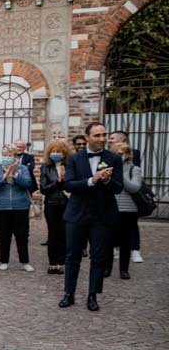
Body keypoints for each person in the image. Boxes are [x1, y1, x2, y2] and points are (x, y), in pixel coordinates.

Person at [59, 123, 123, 312]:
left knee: (98, 257)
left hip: (102, 215)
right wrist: (91, 181)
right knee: (72, 256)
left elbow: (119, 187)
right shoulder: (74, 158)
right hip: (77, 214)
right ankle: (68, 294)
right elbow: (68, 185)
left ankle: (93, 295)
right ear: (87, 137)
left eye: (104, 135)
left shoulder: (113, 158)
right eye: (97, 135)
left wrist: (108, 180)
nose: (102, 139)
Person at [0, 144, 34, 272]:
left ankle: (25, 261)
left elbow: (28, 183)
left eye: (9, 155)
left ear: (14, 156)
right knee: (4, 235)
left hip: (20, 206)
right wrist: (4, 176)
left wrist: (15, 175)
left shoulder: (23, 168)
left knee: (22, 236)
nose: (7, 157)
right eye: (5, 155)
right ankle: (4, 261)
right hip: (2, 206)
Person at [103, 143, 143, 280]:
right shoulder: (107, 168)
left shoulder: (134, 169)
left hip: (128, 210)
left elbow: (134, 187)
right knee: (108, 240)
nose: (119, 156)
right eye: (117, 153)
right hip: (111, 207)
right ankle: (107, 268)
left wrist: (121, 175)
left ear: (128, 154)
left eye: (122, 153)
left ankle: (124, 270)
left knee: (126, 241)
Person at [39, 139, 72, 274]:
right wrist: (58, 182)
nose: (56, 154)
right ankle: (52, 263)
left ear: (64, 153)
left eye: (59, 151)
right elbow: (43, 188)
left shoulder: (70, 166)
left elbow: (73, 185)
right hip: (51, 204)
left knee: (63, 233)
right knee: (52, 233)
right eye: (53, 151)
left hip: (66, 204)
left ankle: (61, 262)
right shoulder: (46, 167)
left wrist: (65, 180)